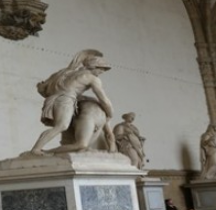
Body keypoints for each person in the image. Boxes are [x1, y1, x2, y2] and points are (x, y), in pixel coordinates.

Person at [31, 49, 113, 155]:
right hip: (66, 100)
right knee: (61, 126)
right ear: (93, 67)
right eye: (101, 69)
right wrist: (110, 113)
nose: (102, 72)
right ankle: (37, 149)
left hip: (52, 99)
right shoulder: (92, 78)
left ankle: (42, 150)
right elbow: (104, 100)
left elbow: (41, 88)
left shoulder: (64, 72)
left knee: (62, 126)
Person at [44, 95, 117, 154]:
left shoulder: (83, 112)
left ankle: (46, 152)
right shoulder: (100, 113)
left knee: (81, 145)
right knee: (78, 145)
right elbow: (109, 135)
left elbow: (80, 145)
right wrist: (112, 151)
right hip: (97, 114)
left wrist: (48, 152)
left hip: (88, 112)